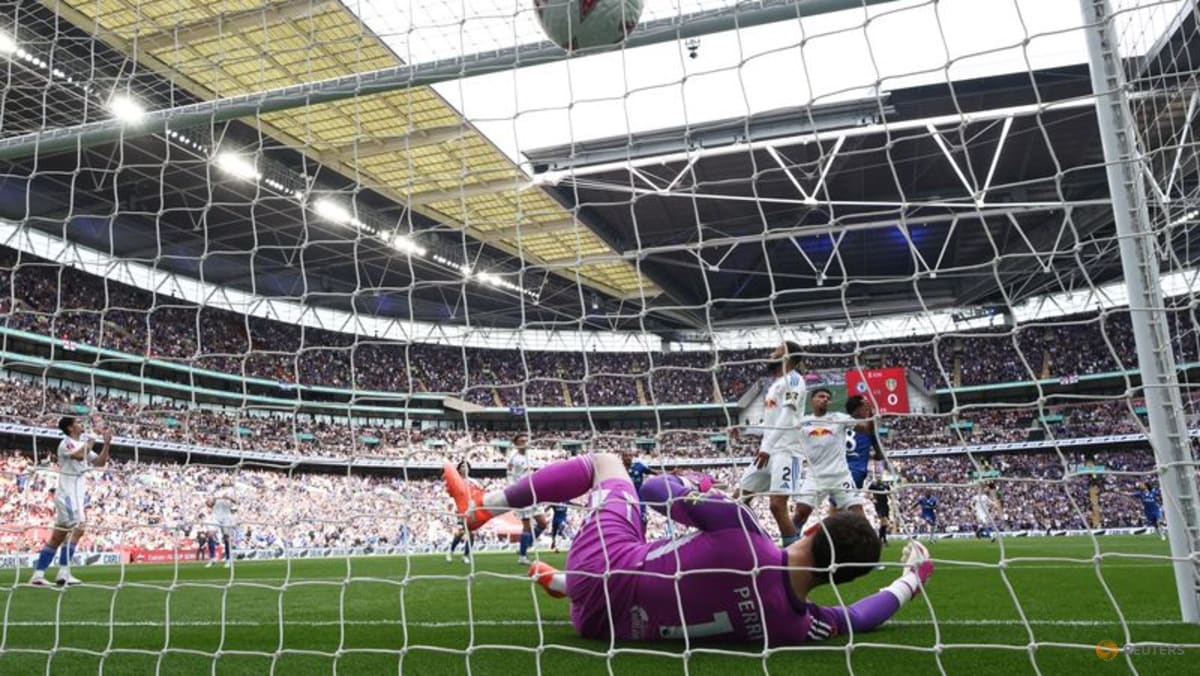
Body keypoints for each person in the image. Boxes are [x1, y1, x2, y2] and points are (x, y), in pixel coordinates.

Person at [443, 453, 933, 645]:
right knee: (676, 561)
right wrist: (912, 579)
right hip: (601, 628)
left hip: (605, 571)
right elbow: (864, 617)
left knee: (605, 465)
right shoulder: (800, 625)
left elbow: (654, 490)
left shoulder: (742, 528)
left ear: (809, 531)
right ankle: (562, 583)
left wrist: (701, 487)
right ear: (838, 578)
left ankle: (480, 505)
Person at [736, 342, 808, 546]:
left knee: (777, 505)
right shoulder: (775, 384)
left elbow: (788, 416)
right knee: (738, 500)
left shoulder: (794, 380)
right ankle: (744, 544)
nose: (772, 352)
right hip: (767, 453)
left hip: (787, 451)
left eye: (778, 349)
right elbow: (771, 422)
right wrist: (743, 429)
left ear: (789, 357)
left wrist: (767, 447)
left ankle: (793, 553)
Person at [30, 417, 113, 587]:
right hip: (68, 493)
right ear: (70, 427)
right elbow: (77, 455)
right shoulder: (66, 443)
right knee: (79, 527)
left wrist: (106, 444)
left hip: (75, 494)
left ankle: (38, 576)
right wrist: (92, 438)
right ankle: (64, 572)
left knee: (58, 536)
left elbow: (99, 462)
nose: (81, 425)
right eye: (78, 422)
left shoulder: (81, 444)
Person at [790, 388, 870, 531]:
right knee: (800, 514)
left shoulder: (839, 418)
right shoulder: (802, 422)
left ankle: (870, 550)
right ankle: (790, 545)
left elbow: (865, 429)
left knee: (858, 514)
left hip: (840, 476)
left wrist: (870, 413)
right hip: (814, 477)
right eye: (821, 396)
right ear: (812, 400)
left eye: (827, 397)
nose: (825, 399)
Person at [509, 433, 547, 564]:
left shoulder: (531, 455)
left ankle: (526, 545)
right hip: (522, 492)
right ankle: (522, 557)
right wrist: (513, 489)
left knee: (543, 523)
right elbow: (509, 474)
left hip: (534, 492)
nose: (524, 442)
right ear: (516, 443)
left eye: (526, 440)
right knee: (526, 525)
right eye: (521, 441)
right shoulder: (513, 457)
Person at [843, 395, 882, 490]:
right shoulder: (870, 429)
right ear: (857, 410)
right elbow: (879, 454)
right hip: (856, 471)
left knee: (841, 503)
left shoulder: (841, 424)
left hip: (839, 471)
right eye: (865, 408)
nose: (867, 410)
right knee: (848, 503)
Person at [446, 460, 478, 563]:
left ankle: (466, 555)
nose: (465, 469)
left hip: (472, 509)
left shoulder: (474, 482)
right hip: (460, 509)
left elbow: (478, 495)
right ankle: (451, 551)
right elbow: (451, 494)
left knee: (472, 533)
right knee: (461, 532)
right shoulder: (455, 481)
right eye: (462, 467)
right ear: (459, 469)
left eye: (467, 467)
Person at [207, 481, 238, 568]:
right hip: (215, 515)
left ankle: (228, 559)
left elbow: (237, 501)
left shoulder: (232, 490)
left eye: (227, 479)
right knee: (210, 535)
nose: (225, 480)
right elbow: (210, 504)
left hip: (226, 516)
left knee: (226, 537)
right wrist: (209, 502)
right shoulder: (216, 490)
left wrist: (228, 498)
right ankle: (212, 558)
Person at [867, 477, 892, 545]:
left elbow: (889, 494)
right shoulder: (874, 485)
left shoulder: (885, 485)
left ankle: (881, 539)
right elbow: (868, 493)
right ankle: (882, 539)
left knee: (885, 523)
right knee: (884, 521)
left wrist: (891, 498)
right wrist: (872, 499)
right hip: (879, 505)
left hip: (885, 505)